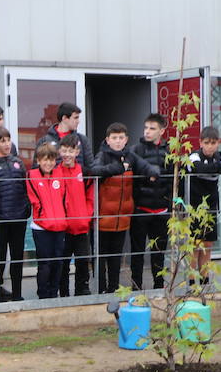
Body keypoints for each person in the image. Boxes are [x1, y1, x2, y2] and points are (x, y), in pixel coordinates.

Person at [89, 122, 160, 294]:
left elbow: (146, 166)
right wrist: (117, 169)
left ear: (126, 139)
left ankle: (113, 289)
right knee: (100, 258)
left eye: (121, 138)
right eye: (114, 138)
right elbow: (94, 170)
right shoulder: (102, 155)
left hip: (122, 218)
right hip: (102, 218)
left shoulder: (130, 156)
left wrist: (152, 172)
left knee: (116, 257)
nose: (118, 141)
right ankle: (100, 291)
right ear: (108, 140)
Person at [182, 125, 221, 282]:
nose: (210, 146)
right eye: (206, 142)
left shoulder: (220, 155)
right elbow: (198, 168)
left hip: (211, 207)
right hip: (193, 208)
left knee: (207, 245)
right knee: (194, 245)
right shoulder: (194, 156)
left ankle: (205, 280)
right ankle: (192, 282)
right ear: (200, 142)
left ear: (218, 143)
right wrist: (219, 167)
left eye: (213, 143)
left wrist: (213, 167)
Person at [0, 127, 30, 301]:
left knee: (17, 258)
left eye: (8, 140)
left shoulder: (18, 162)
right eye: (2, 141)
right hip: (0, 220)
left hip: (18, 218)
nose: (7, 144)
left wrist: (26, 208)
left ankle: (17, 294)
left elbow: (25, 187)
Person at [130, 113, 172, 290]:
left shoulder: (169, 151)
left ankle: (159, 287)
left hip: (162, 211)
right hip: (141, 210)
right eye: (146, 128)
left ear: (162, 131)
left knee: (159, 253)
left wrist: (172, 205)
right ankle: (136, 287)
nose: (147, 132)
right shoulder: (136, 150)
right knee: (137, 253)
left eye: (152, 128)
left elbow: (173, 181)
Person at [26, 142, 66, 299]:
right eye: (45, 159)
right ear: (38, 160)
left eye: (51, 159)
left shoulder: (60, 174)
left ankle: (53, 293)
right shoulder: (32, 175)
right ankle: (43, 295)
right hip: (41, 228)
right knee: (45, 264)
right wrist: (42, 215)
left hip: (59, 226)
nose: (48, 163)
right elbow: (34, 199)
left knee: (58, 263)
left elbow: (64, 197)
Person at [55, 137, 92, 296]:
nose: (67, 154)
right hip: (63, 228)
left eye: (71, 151)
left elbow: (90, 196)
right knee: (62, 263)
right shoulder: (55, 172)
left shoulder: (83, 172)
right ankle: (63, 292)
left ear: (77, 152)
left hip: (81, 226)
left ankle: (82, 290)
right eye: (64, 150)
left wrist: (86, 217)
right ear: (59, 151)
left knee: (83, 262)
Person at [37, 101, 95, 170]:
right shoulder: (44, 141)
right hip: (54, 180)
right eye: (75, 118)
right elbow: (36, 167)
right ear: (64, 118)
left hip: (76, 180)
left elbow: (91, 168)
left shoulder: (82, 140)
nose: (78, 121)